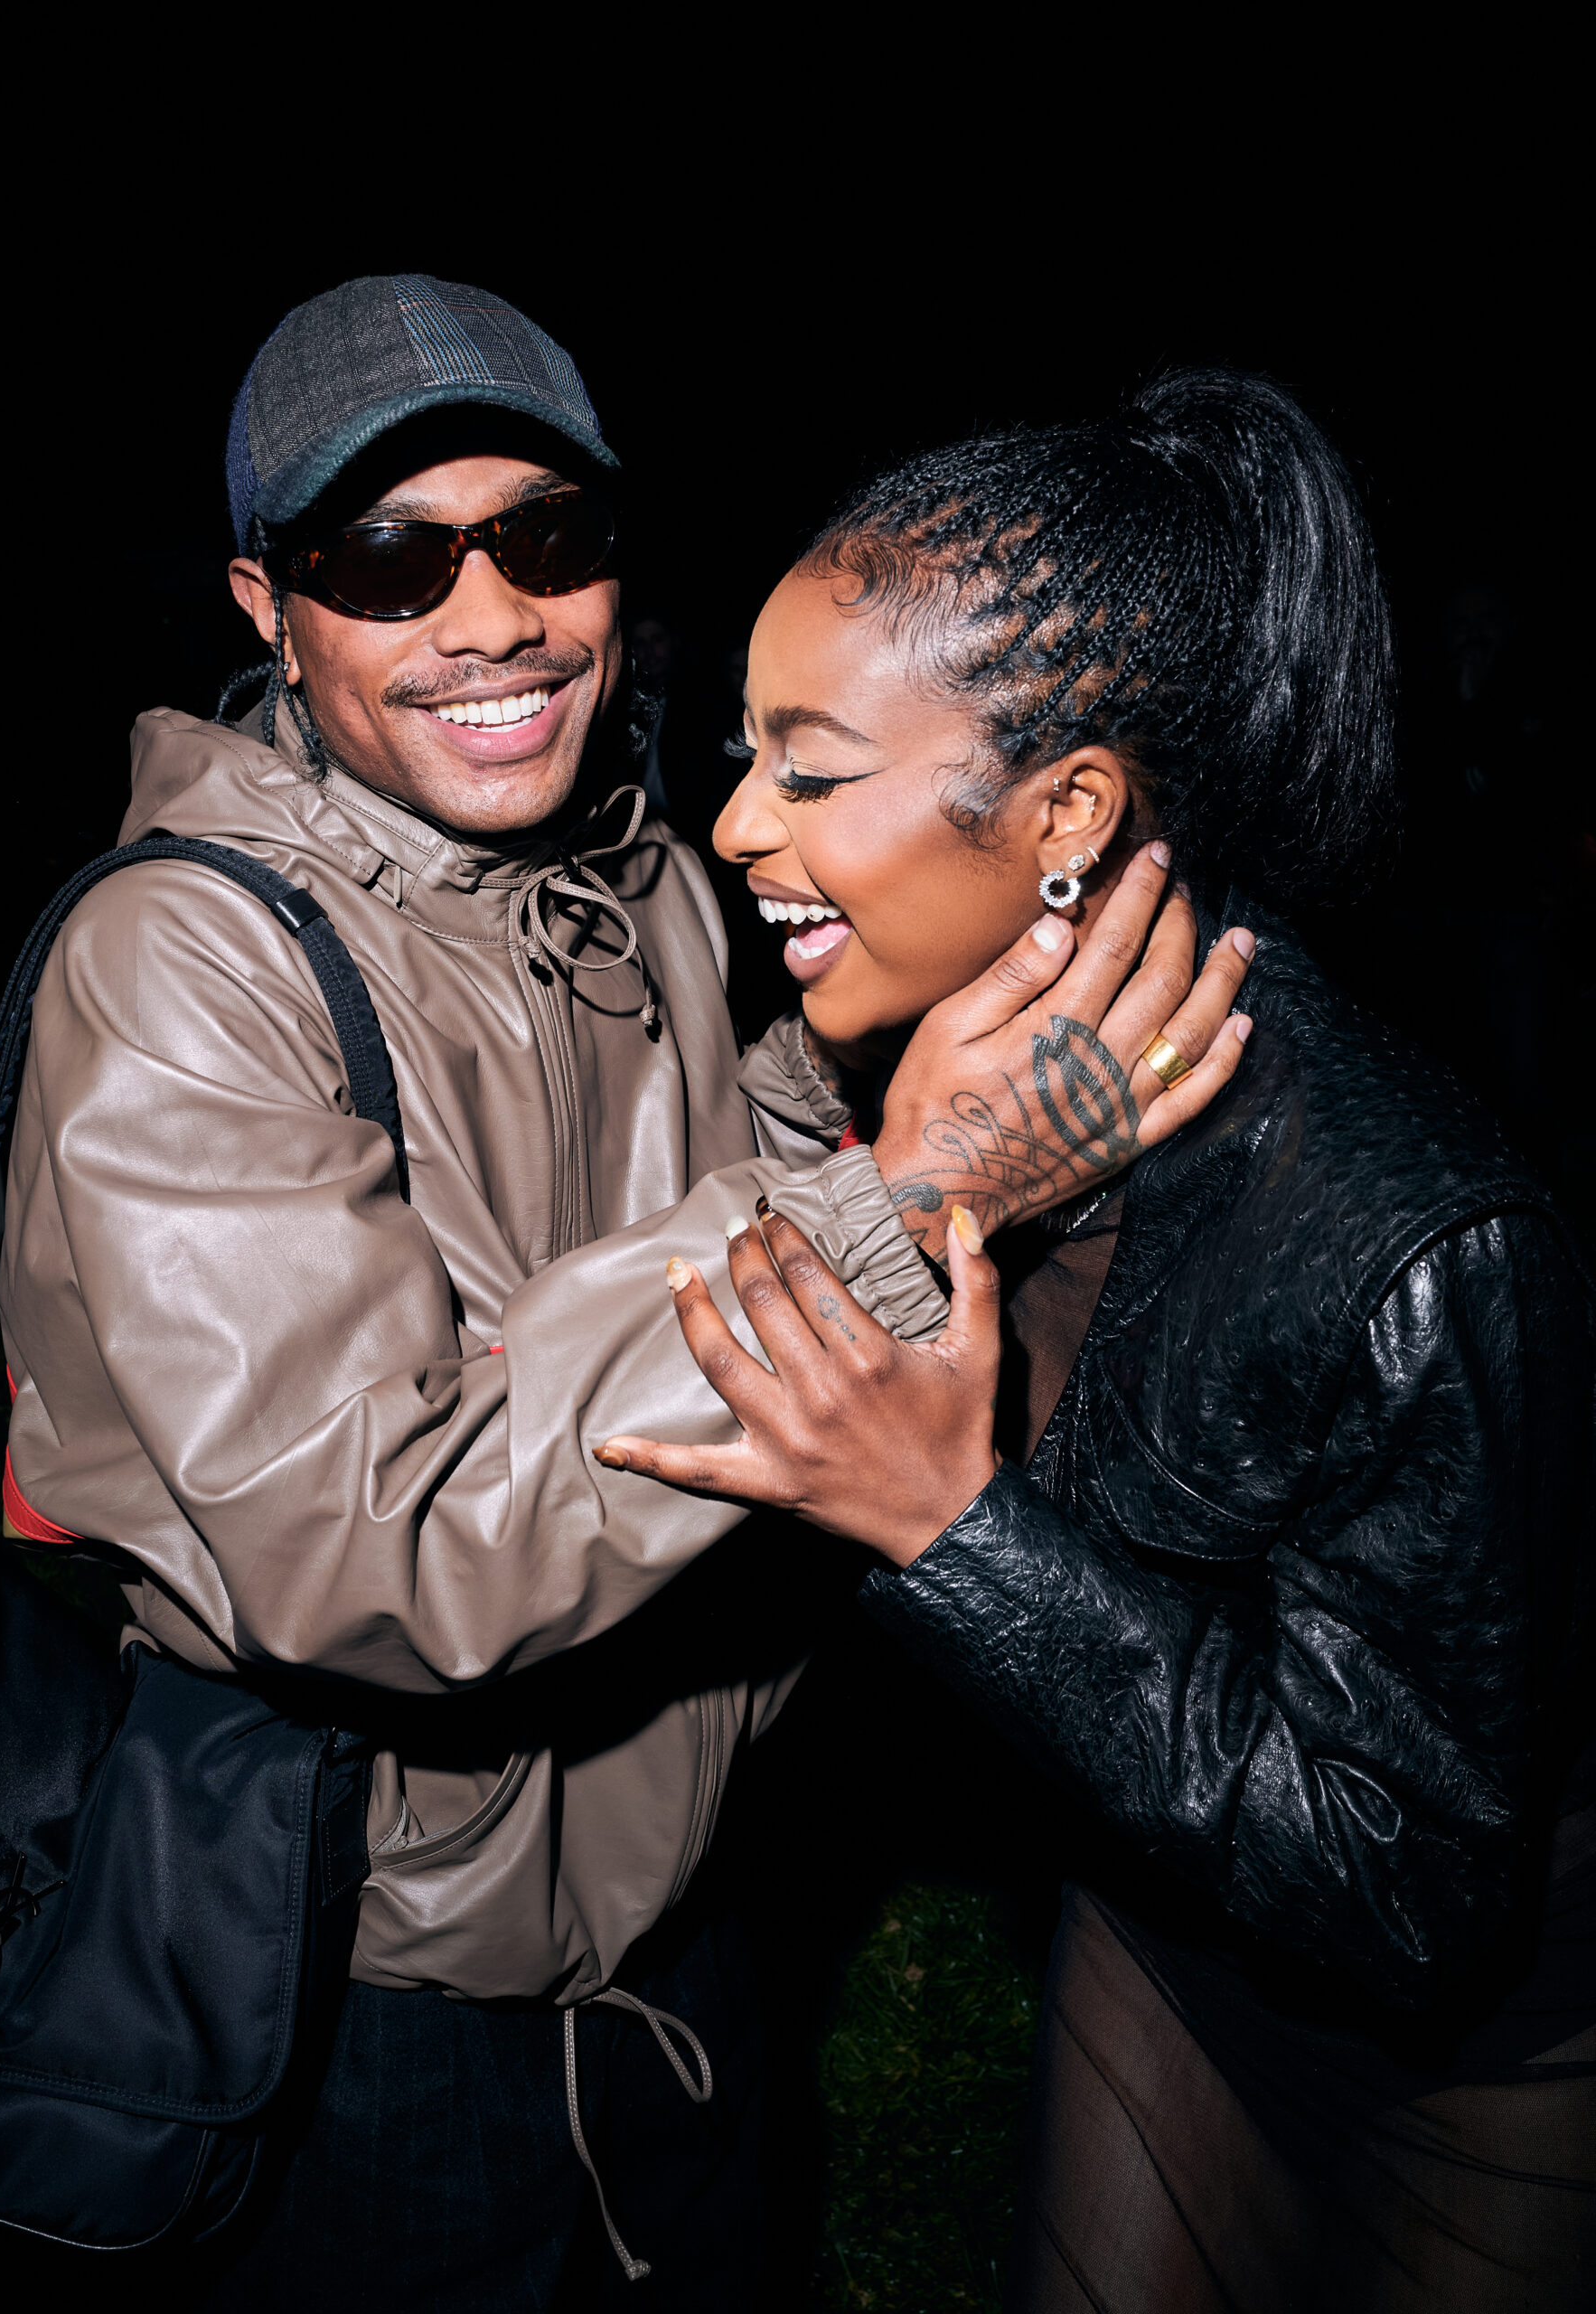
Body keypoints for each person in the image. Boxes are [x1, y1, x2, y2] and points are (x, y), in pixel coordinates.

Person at [0, 277, 1243, 2310]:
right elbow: (379, 1540)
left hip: (690, 1917)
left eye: (546, 538)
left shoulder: (636, 866)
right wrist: (917, 1188)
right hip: (384, 1996)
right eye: (388, 561)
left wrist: (903, 1042)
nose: (491, 617)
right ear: (268, 611)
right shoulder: (180, 966)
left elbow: (721, 1169)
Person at [601, 370, 1596, 2310]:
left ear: (1066, 810)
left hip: (1471, 2062)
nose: (731, 823)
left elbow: (1406, 1890)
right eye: (744, 752)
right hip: (1163, 1938)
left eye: (812, 772)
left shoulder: (1422, 1247)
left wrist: (951, 1533)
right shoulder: (920, 1088)